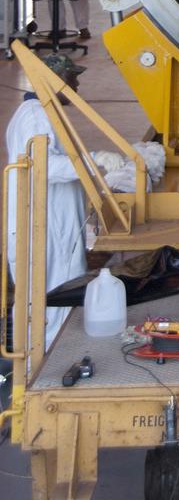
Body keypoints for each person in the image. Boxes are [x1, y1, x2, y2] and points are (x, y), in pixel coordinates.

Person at [5, 53, 88, 349]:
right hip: (45, 231)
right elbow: (45, 165)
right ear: (56, 80)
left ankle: (40, 364)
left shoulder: (40, 113)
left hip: (49, 228)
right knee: (50, 306)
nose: (76, 85)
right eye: (72, 78)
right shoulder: (36, 116)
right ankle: (41, 369)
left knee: (48, 303)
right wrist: (93, 164)